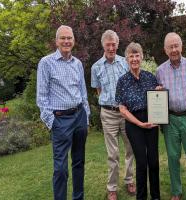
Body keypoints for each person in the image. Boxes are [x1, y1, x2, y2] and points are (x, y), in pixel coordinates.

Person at [36, 25, 90, 200]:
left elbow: (83, 92)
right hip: (60, 120)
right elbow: (41, 98)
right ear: (56, 41)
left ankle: (78, 197)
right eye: (63, 38)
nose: (66, 41)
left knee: (79, 162)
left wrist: (86, 115)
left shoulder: (78, 63)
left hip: (79, 116)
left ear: (74, 41)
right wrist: (52, 122)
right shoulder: (46, 63)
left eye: (69, 38)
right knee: (60, 168)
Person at [156, 32, 186, 200]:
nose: (174, 49)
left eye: (176, 45)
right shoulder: (160, 70)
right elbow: (158, 96)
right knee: (172, 156)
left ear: (181, 46)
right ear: (165, 50)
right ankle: (176, 192)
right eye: (170, 47)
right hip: (170, 119)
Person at [91, 30, 135, 200]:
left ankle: (130, 180)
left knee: (130, 148)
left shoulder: (125, 63)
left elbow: (131, 86)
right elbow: (99, 90)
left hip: (125, 112)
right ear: (103, 45)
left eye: (114, 44)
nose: (111, 47)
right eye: (108, 44)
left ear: (118, 44)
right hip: (108, 114)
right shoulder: (96, 67)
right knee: (112, 153)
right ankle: (112, 187)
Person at [115, 42, 160, 200]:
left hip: (152, 120)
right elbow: (122, 109)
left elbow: (158, 99)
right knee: (141, 163)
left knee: (153, 162)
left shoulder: (150, 77)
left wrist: (159, 93)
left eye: (137, 55)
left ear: (141, 57)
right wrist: (140, 123)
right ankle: (141, 197)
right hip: (134, 124)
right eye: (131, 56)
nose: (134, 59)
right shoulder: (122, 81)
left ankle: (156, 196)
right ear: (127, 59)